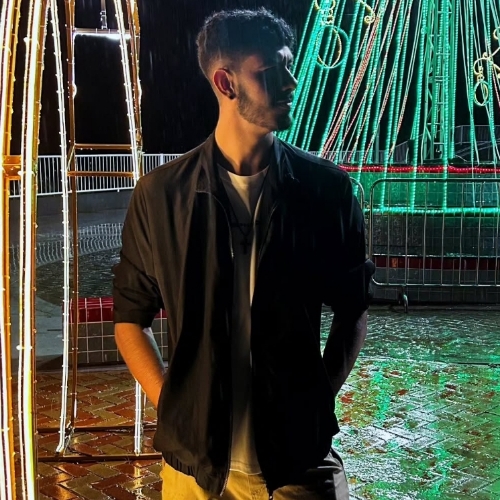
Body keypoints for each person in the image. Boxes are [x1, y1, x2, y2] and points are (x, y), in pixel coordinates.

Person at [113, 8, 374, 500]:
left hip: (301, 460)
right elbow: (130, 316)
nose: (292, 82)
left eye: (289, 67)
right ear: (225, 82)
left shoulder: (327, 191)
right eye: (272, 71)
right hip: (194, 473)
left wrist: (317, 396)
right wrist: (174, 404)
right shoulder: (160, 195)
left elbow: (352, 310)